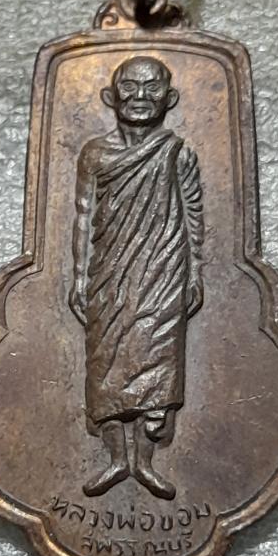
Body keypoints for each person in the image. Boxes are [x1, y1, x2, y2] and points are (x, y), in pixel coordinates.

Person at [69, 55, 204, 499]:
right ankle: (115, 461)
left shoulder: (177, 152)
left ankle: (144, 464)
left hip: (163, 269)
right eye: (129, 87)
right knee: (105, 362)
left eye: (152, 88)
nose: (140, 97)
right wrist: (79, 276)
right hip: (110, 272)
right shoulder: (95, 153)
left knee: (158, 359)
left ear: (171, 98)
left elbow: (193, 213)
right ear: (111, 96)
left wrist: (194, 272)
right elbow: (84, 215)